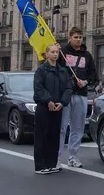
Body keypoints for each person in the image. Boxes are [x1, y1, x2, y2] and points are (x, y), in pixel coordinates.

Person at [57, 26, 97, 168]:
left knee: (78, 127)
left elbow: (93, 74)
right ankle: (57, 158)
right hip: (65, 95)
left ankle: (73, 157)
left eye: (80, 37)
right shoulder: (62, 52)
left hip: (81, 95)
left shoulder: (87, 55)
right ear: (70, 38)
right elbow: (57, 70)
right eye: (76, 37)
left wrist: (85, 82)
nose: (79, 40)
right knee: (61, 128)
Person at [33, 44, 72, 174]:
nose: (55, 54)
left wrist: (62, 102)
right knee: (42, 136)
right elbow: (38, 88)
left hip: (58, 108)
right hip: (44, 107)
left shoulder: (62, 71)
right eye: (53, 52)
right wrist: (48, 100)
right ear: (47, 54)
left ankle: (51, 164)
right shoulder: (41, 70)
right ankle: (40, 166)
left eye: (57, 52)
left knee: (54, 136)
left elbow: (68, 88)